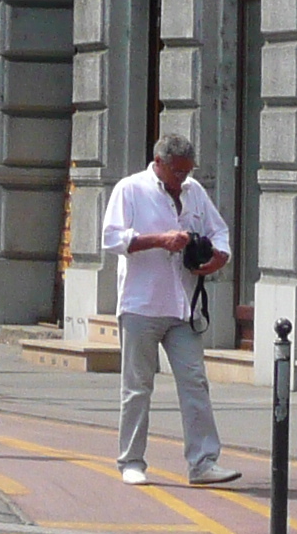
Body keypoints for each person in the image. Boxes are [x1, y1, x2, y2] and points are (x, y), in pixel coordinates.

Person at [98, 132, 244, 489]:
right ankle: (131, 461)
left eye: (187, 171)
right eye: (177, 171)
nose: (183, 178)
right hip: (141, 304)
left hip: (183, 306)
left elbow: (219, 231)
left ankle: (203, 463)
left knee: (195, 382)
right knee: (137, 387)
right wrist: (159, 240)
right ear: (159, 163)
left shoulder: (195, 191)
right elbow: (111, 238)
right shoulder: (130, 189)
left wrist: (216, 259)